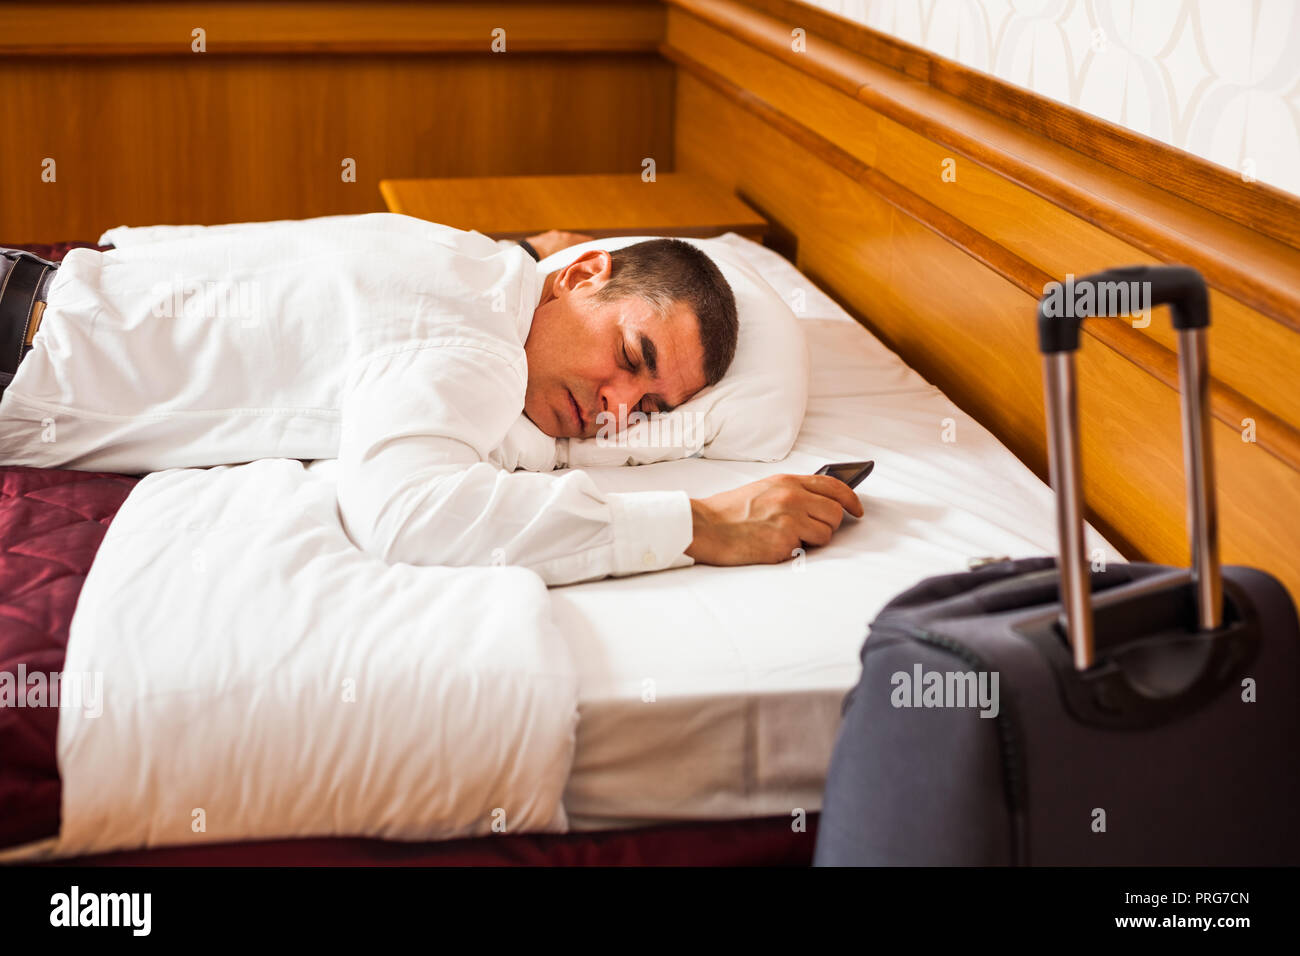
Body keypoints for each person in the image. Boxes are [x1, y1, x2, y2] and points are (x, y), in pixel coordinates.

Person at [0, 215, 861, 585]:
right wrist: (703, 525)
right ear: (582, 274)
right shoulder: (480, 348)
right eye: (630, 356)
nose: (616, 406)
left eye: (646, 407)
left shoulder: (475, 265)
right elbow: (407, 512)